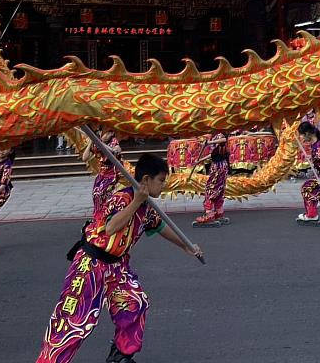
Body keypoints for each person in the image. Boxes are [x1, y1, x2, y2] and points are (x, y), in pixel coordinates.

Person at [36, 154, 201, 363]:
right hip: (91, 264)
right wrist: (135, 202)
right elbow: (112, 227)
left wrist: (186, 246)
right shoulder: (121, 198)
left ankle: (120, 356)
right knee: (74, 321)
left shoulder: (148, 208)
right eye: (160, 181)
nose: (163, 186)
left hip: (117, 267)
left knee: (135, 302)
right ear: (146, 180)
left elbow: (160, 227)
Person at [84, 129, 124, 214]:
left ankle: (108, 214)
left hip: (113, 175)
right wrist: (91, 142)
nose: (104, 136)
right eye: (102, 133)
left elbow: (117, 151)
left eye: (106, 133)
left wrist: (111, 149)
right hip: (102, 175)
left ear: (112, 133)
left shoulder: (114, 143)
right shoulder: (97, 143)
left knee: (106, 195)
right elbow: (85, 157)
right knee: (96, 194)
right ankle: (98, 216)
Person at [194, 133, 230, 226]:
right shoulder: (217, 146)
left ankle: (209, 214)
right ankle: (219, 213)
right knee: (219, 190)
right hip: (222, 166)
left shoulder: (220, 136)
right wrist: (199, 160)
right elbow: (212, 154)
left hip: (218, 168)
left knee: (211, 189)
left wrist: (209, 142)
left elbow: (223, 140)